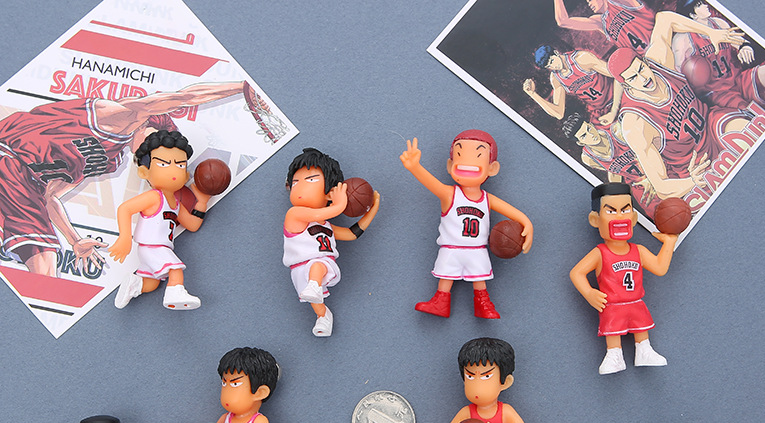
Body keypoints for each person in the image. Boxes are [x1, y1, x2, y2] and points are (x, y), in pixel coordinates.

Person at [0, 81, 267, 278]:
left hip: (25, 183)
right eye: (151, 147)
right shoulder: (119, 114)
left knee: (45, 269)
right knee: (45, 271)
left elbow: (50, 196)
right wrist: (241, 87)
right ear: (145, 124)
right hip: (9, 153)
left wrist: (74, 240)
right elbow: (183, 96)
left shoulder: (109, 159)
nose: (148, 155)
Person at [607, 13, 747, 200]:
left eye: (641, 69)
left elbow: (665, 18)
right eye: (633, 78)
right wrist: (692, 181)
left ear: (645, 62)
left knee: (747, 133)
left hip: (712, 124)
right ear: (626, 85)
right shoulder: (635, 123)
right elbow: (661, 186)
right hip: (695, 165)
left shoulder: (658, 61)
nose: (643, 78)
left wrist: (711, 32)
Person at [400, 130, 532, 319]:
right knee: (446, 275)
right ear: (450, 165)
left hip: (477, 249)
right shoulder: (449, 194)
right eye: (459, 154)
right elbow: (431, 183)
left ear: (492, 168)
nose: (467, 162)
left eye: (478, 155)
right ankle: (440, 302)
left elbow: (515, 214)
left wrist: (527, 223)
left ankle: (483, 305)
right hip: (451, 247)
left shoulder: (487, 198)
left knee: (480, 279)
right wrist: (415, 167)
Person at [569, 182, 677, 374]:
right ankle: (614, 355)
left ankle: (644, 351)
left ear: (633, 218)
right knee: (613, 330)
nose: (619, 217)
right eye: (611, 211)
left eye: (625, 210)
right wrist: (589, 293)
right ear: (595, 219)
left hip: (635, 301)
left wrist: (669, 243)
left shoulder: (638, 250)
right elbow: (576, 273)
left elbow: (660, 268)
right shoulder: (600, 253)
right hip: (612, 304)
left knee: (641, 328)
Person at [283, 148, 380, 337]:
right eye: (295, 182)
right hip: (299, 270)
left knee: (317, 266)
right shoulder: (294, 214)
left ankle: (315, 287)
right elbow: (326, 212)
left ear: (329, 193)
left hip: (320, 266)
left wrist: (372, 211)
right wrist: (339, 204)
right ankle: (324, 316)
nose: (300, 187)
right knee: (316, 302)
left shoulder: (326, 225)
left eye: (311, 180)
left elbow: (351, 234)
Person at [109, 129, 210, 310]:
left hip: (157, 249)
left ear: (186, 175)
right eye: (163, 164)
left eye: (180, 165)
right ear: (144, 172)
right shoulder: (155, 197)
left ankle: (135, 284)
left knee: (153, 283)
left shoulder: (176, 204)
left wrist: (202, 203)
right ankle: (175, 293)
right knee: (175, 269)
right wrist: (125, 238)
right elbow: (125, 209)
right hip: (152, 247)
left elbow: (193, 225)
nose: (174, 170)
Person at [672, 1, 765, 111]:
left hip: (738, 79)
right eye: (699, 5)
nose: (706, 5)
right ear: (692, 15)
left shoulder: (719, 23)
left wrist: (745, 47)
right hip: (717, 93)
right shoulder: (683, 39)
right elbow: (678, 75)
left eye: (703, 2)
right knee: (751, 114)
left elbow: (741, 42)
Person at [561, 112, 657, 217]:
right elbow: (614, 171)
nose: (591, 135)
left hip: (656, 169)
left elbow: (650, 149)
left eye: (589, 128)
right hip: (639, 186)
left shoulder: (617, 131)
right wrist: (618, 196)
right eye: (584, 136)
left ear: (591, 125)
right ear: (580, 143)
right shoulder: (588, 158)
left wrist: (651, 177)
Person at [524, 45, 621, 126]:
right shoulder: (556, 78)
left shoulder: (581, 59)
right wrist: (532, 94)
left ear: (556, 53)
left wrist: (614, 111)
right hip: (600, 111)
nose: (553, 66)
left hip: (619, 96)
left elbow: (618, 75)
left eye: (552, 61)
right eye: (549, 66)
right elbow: (559, 113)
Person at [553, 0, 656, 54]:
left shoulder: (619, 3)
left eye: (590, 0)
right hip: (646, 60)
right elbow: (563, 21)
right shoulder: (600, 21)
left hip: (658, 42)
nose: (589, 4)